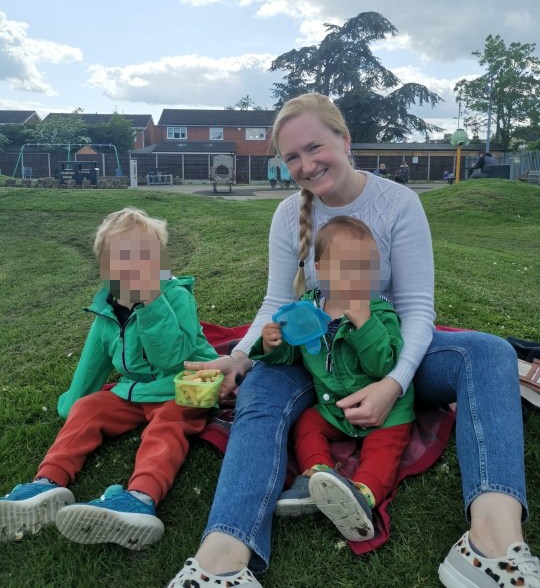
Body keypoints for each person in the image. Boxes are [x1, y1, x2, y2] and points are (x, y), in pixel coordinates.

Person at [168, 93, 539, 588]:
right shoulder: (287, 216)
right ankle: (222, 560)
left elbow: (416, 309)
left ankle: (492, 546)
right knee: (259, 388)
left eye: (314, 147)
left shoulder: (397, 203)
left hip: (386, 349)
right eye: (292, 157)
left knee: (490, 351)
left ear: (344, 140)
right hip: (317, 359)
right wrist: (239, 357)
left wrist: (394, 383)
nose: (305, 164)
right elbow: (275, 301)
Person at [0, 207, 223, 551]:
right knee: (89, 408)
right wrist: (74, 402)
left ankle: (140, 499)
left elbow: (172, 358)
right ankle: (47, 483)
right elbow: (94, 361)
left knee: (167, 424)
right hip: (136, 390)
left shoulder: (176, 296)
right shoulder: (107, 308)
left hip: (185, 385)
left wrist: (149, 303)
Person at [251, 216, 413, 542]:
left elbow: (385, 365)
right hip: (332, 408)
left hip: (386, 411)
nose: (359, 278)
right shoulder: (306, 311)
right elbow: (291, 354)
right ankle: (316, 476)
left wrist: (366, 326)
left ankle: (363, 495)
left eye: (366, 268)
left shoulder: (379, 313)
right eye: (347, 267)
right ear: (322, 270)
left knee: (386, 446)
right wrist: (270, 345)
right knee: (306, 423)